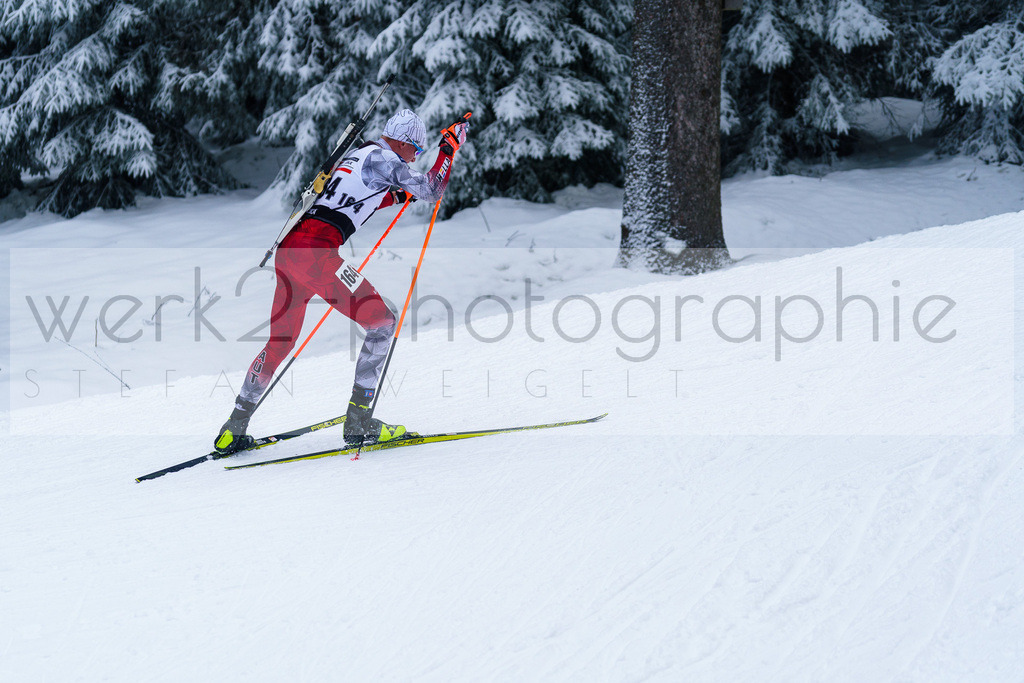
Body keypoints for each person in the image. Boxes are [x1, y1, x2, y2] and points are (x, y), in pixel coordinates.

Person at [214, 109, 468, 453]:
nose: (415, 158)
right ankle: (359, 423)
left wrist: (396, 195)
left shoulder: (358, 155)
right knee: (382, 322)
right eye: (417, 151)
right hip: (317, 257)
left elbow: (353, 202)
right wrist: (448, 149)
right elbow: (432, 188)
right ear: (406, 144)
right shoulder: (384, 157)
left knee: (280, 344)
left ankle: (234, 427)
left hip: (290, 253)